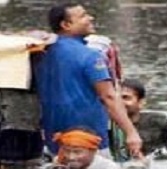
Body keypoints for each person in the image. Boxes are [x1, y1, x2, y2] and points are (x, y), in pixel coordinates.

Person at [34, 3, 142, 157]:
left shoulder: (40, 53)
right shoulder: (91, 56)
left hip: (53, 139)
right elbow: (109, 96)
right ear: (66, 24)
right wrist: (131, 133)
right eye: (83, 16)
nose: (90, 18)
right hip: (89, 139)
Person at [118, 78, 167, 157]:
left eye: (126, 98)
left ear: (141, 102)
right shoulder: (107, 128)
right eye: (116, 98)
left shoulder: (158, 122)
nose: (119, 103)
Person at [47, 126, 125, 169]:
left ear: (93, 151)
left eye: (77, 152)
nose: (71, 157)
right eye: (67, 151)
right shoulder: (59, 162)